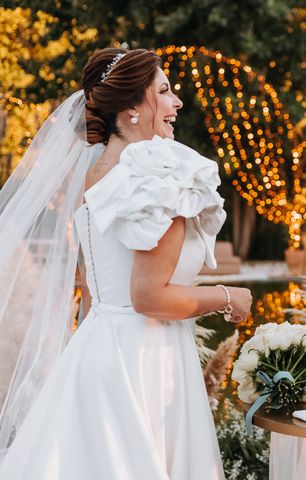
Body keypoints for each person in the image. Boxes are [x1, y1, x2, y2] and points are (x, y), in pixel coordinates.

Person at [0, 48, 252, 479]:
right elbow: (149, 297)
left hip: (93, 355)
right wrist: (229, 297)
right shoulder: (163, 176)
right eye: (165, 91)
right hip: (145, 363)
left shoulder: (90, 175)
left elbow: (94, 289)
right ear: (133, 108)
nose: (177, 102)